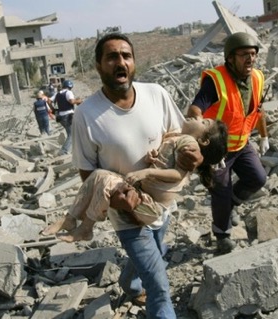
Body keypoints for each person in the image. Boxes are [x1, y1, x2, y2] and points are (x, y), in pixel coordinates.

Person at [64, 33, 201, 318]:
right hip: (126, 215)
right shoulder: (87, 115)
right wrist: (118, 200)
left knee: (156, 249)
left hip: (162, 204)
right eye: (112, 57)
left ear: (134, 63)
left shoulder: (156, 94)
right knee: (160, 287)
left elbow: (179, 136)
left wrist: (195, 154)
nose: (120, 62)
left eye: (126, 56)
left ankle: (129, 281)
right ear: (99, 66)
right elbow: (88, 174)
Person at [42, 117, 228, 242]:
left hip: (151, 207)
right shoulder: (180, 137)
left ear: (204, 140)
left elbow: (178, 174)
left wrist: (146, 172)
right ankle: (70, 218)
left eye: (203, 121)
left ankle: (86, 227)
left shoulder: (190, 142)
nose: (197, 117)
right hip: (143, 197)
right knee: (98, 174)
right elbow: (167, 162)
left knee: (105, 181)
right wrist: (154, 157)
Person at [187, 32, 269, 254]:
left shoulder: (258, 78)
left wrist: (263, 136)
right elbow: (196, 107)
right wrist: (197, 128)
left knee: (258, 178)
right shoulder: (216, 81)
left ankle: (232, 204)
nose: (250, 59)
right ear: (230, 58)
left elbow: (259, 111)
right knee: (221, 191)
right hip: (218, 151)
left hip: (241, 144)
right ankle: (222, 235)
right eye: (244, 55)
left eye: (253, 54)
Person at [53, 79, 83, 156]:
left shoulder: (58, 94)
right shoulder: (68, 92)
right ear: (70, 87)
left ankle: (73, 149)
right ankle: (63, 151)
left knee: (70, 133)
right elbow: (71, 101)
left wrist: (53, 110)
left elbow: (49, 101)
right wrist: (78, 101)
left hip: (61, 116)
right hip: (68, 116)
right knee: (72, 134)